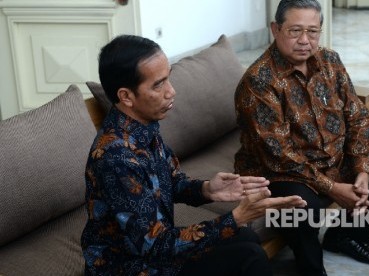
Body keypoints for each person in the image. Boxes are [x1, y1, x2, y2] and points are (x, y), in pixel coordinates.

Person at [81, 34, 307, 276]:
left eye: (168, 78)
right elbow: (155, 246)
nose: (171, 91)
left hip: (151, 251)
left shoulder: (143, 128)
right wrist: (237, 216)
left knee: (245, 236)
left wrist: (208, 189)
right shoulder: (116, 159)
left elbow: (169, 180)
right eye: (158, 85)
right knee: (248, 256)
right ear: (126, 96)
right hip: (128, 266)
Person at [234, 0, 369, 275]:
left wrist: (363, 170)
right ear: (275, 29)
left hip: (331, 157)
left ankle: (346, 237)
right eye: (295, 31)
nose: (305, 40)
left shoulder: (330, 60)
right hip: (278, 172)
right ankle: (310, 266)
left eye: (312, 31)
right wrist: (333, 188)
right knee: (304, 206)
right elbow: (280, 155)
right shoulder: (258, 82)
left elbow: (357, 116)